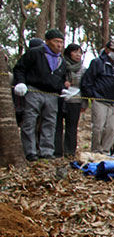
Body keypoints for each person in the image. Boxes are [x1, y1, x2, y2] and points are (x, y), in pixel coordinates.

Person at [12, 28, 69, 161]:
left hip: (52, 95)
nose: (59, 45)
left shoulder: (62, 60)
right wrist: (21, 83)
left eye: (61, 42)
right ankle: (30, 151)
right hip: (34, 91)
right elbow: (19, 68)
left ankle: (46, 151)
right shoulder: (34, 53)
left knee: (50, 123)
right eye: (56, 41)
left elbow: (61, 78)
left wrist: (62, 89)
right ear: (48, 41)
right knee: (29, 121)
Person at [81, 39, 114, 154]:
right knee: (98, 127)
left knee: (111, 129)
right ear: (107, 50)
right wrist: (91, 95)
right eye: (113, 50)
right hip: (100, 100)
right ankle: (96, 150)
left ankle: (106, 151)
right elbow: (87, 81)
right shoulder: (97, 62)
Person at [54, 43, 85, 158]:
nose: (78, 55)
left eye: (80, 52)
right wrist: (62, 84)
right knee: (57, 126)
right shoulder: (60, 64)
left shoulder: (83, 68)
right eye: (75, 52)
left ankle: (70, 152)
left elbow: (85, 85)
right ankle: (57, 151)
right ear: (69, 53)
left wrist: (84, 103)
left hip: (75, 99)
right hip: (60, 98)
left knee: (72, 127)